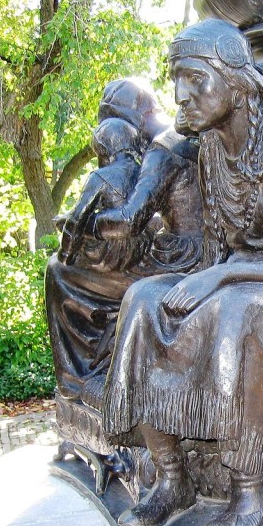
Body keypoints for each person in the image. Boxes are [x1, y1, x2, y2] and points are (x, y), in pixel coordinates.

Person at [100, 19, 263, 526]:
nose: (180, 95)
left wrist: (221, 277)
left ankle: (250, 488)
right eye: (176, 80)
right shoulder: (210, 147)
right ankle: (171, 478)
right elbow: (214, 248)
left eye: (194, 79)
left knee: (241, 312)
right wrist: (206, 277)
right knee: (144, 298)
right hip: (236, 279)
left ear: (236, 81)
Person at [45, 81, 208, 401]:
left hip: (181, 259)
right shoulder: (187, 135)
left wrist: (84, 224)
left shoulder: (162, 148)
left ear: (137, 119)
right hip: (200, 250)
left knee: (60, 272)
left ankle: (79, 377)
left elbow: (129, 221)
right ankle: (105, 368)